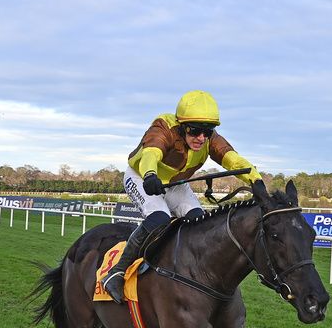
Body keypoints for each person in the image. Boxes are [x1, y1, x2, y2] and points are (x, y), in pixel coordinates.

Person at [100, 90, 262, 303]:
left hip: (175, 182)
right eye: (195, 131)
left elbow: (234, 161)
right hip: (142, 176)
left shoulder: (209, 139)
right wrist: (150, 174)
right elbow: (151, 154)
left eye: (207, 132)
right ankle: (117, 272)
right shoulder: (164, 127)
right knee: (159, 219)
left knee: (198, 221)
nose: (201, 138)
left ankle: (185, 271)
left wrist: (257, 182)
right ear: (183, 125)